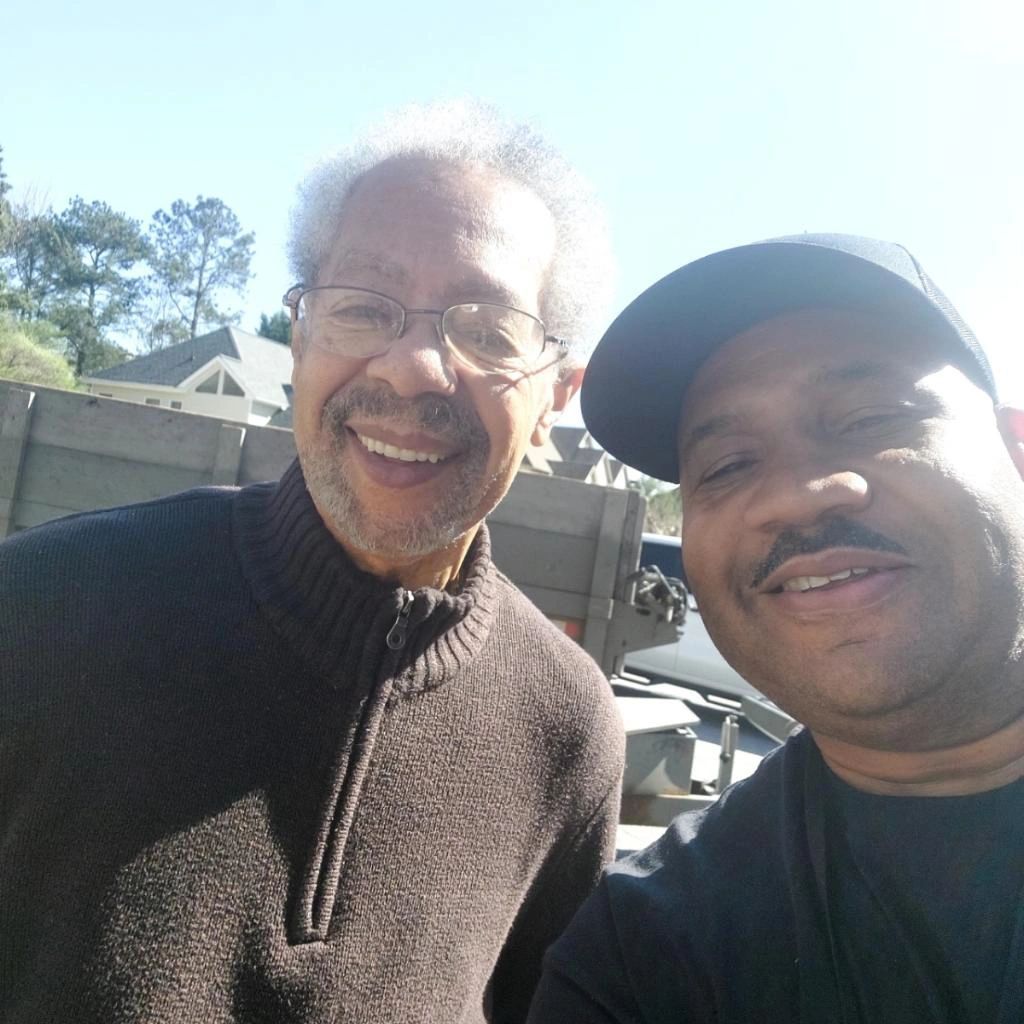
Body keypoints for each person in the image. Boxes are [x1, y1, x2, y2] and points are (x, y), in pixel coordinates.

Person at [0, 102, 625, 1024]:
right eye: (362, 308)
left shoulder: (569, 731)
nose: (414, 366)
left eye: (487, 330)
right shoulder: (41, 609)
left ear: (554, 396)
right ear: (300, 337)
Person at [528, 234, 1024, 1024]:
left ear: (1014, 447)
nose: (795, 495)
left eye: (869, 416)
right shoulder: (644, 958)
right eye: (725, 466)